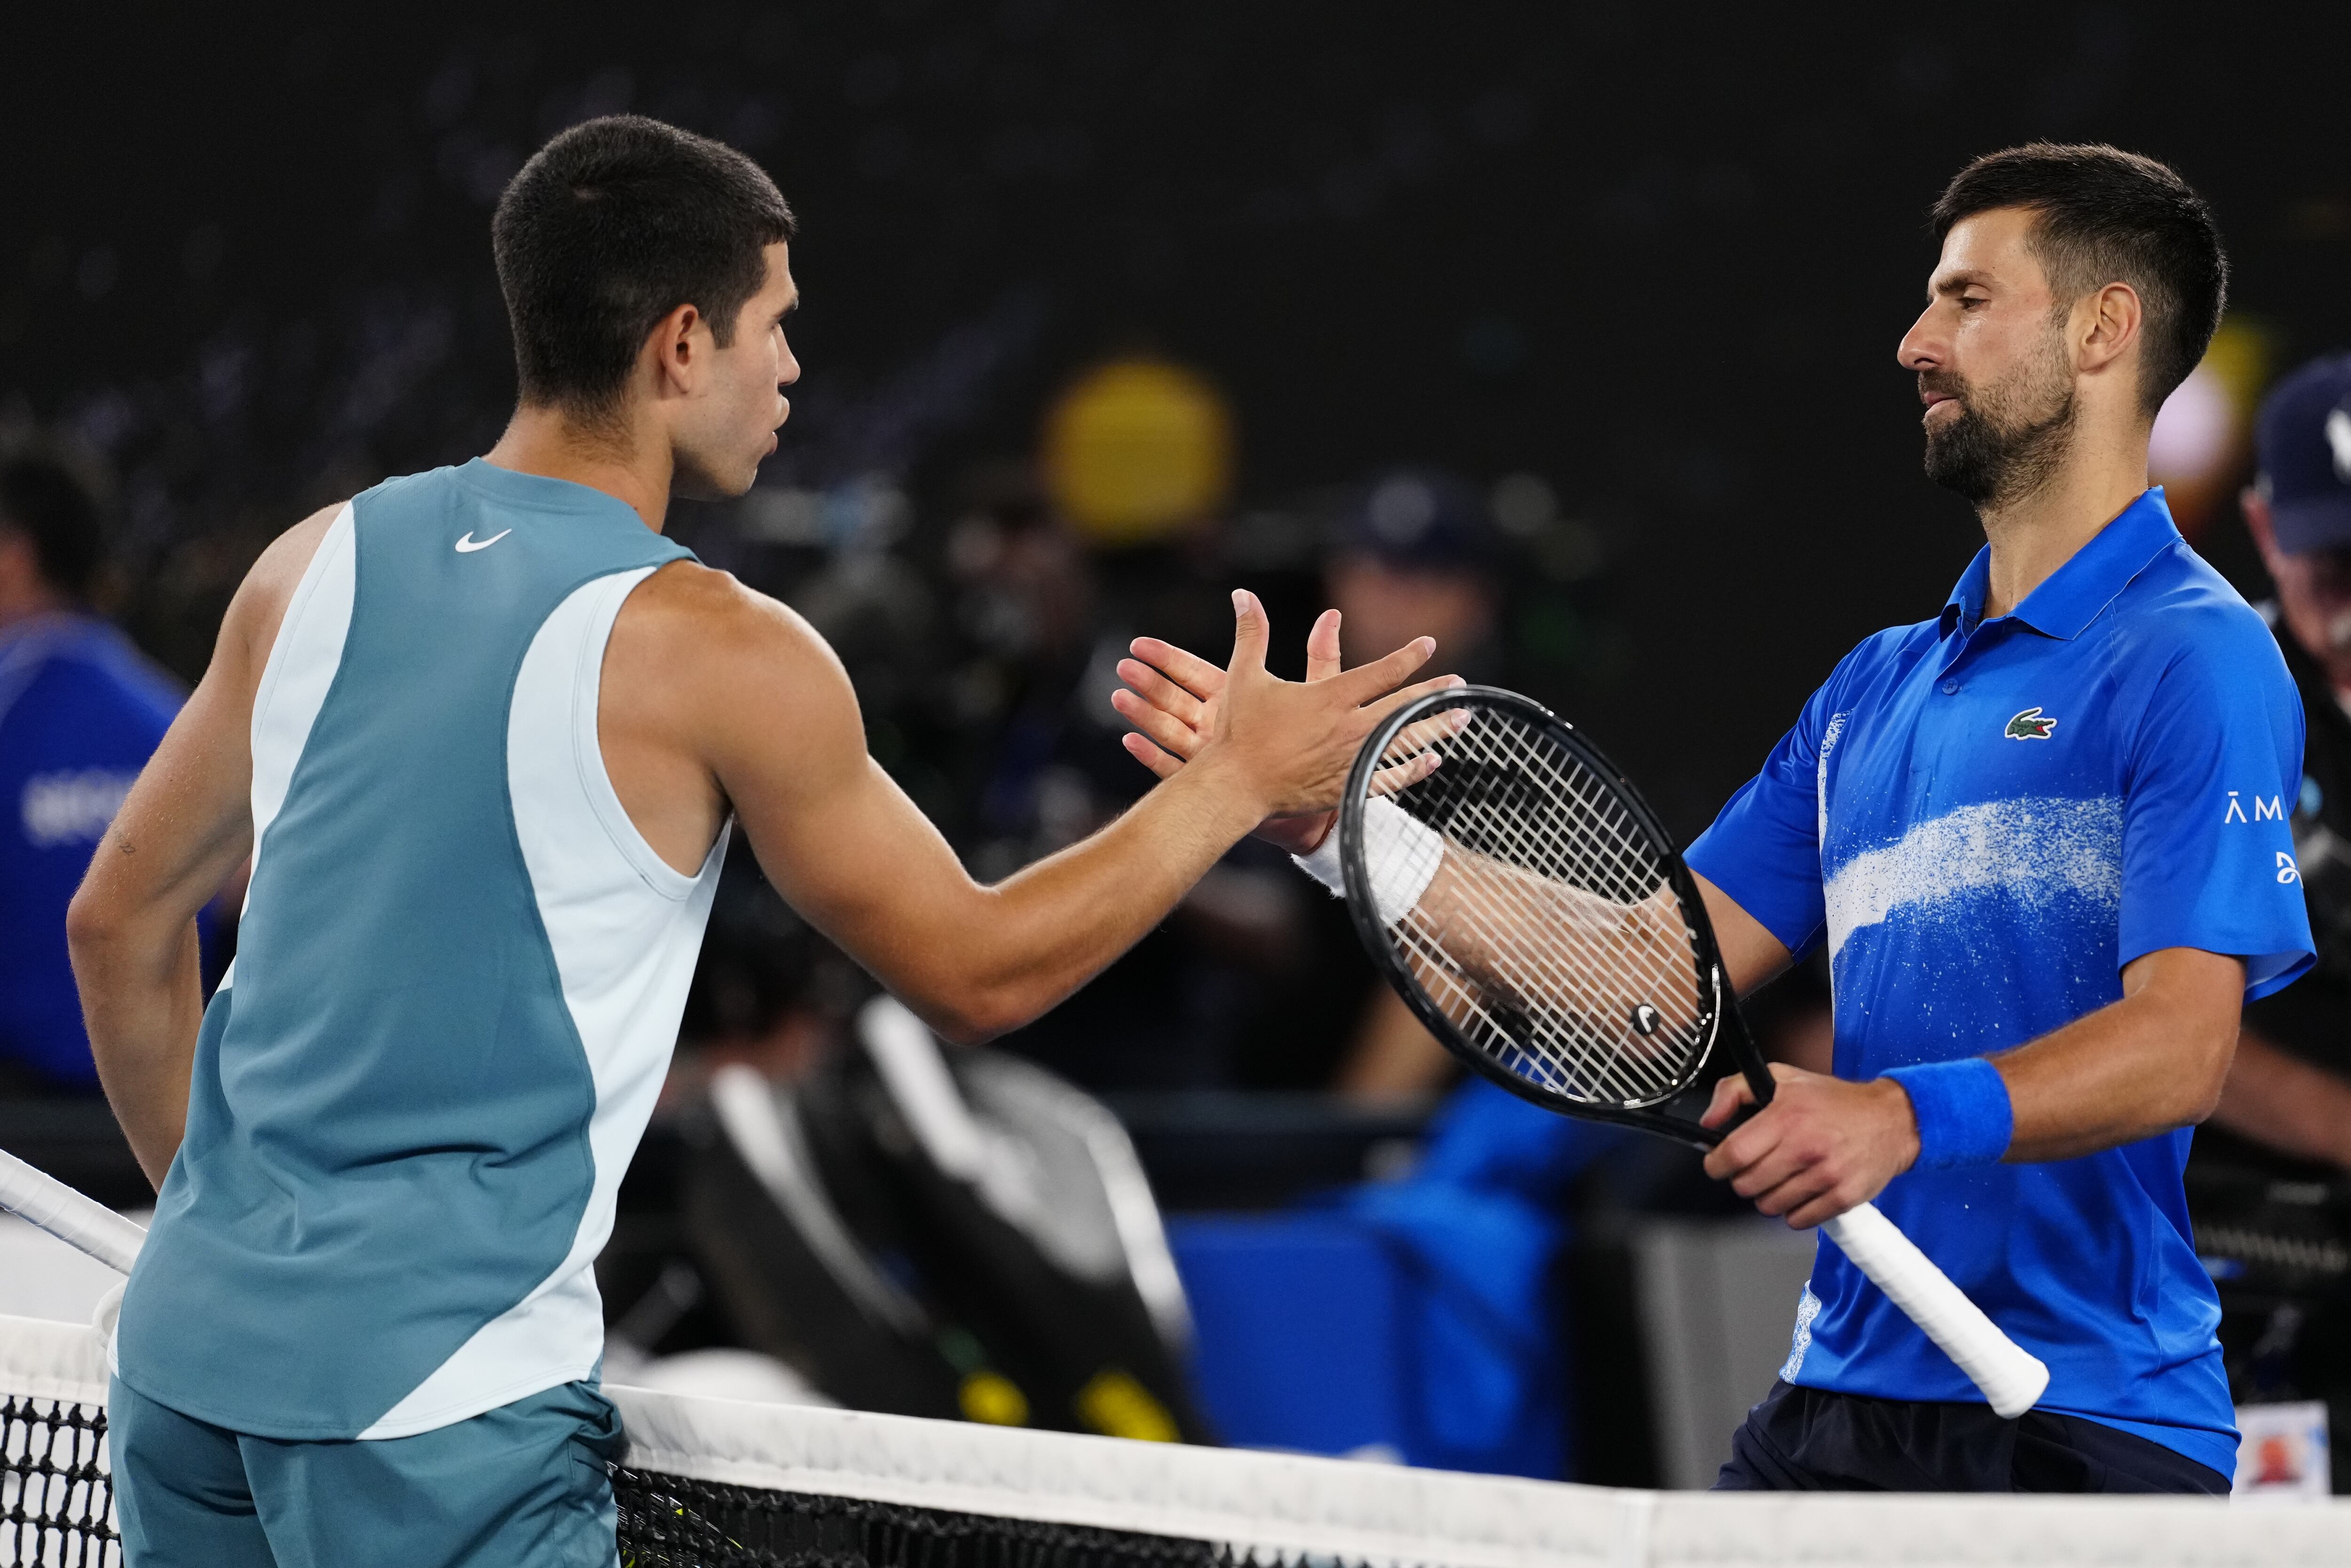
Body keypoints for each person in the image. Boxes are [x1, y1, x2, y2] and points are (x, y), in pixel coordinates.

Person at [64, 115, 1452, 1568]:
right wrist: (1228, 781)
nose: (792, 367)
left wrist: (236, 1248)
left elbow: (118, 925)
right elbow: (981, 973)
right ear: (680, 347)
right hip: (436, 1416)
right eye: (774, 327)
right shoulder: (723, 652)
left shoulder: (309, 562)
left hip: (184, 1381)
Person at [1116, 143, 2312, 1493]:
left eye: (1969, 300)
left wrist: (1897, 1119)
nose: (1917, 341)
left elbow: (2181, 1050)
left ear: (2106, 330)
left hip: (2083, 1427)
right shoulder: (1873, 688)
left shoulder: (2193, 655)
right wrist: (1337, 829)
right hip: (1843, 1404)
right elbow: (1640, 977)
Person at [0, 449, 207, 1095]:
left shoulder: (11, 709)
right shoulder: (177, 718)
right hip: (169, 1126)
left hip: (23, 1142)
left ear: (13, 557)